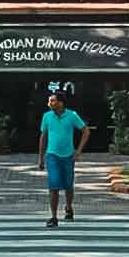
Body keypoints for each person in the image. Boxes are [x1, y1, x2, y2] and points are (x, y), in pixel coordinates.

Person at [38, 91, 90, 227]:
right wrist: (41, 158)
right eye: (49, 101)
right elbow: (43, 137)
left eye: (52, 101)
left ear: (60, 103)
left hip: (68, 155)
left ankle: (68, 207)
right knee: (53, 186)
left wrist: (78, 151)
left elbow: (86, 131)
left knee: (68, 185)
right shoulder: (47, 116)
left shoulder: (72, 115)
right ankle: (54, 216)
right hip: (52, 155)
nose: (49, 104)